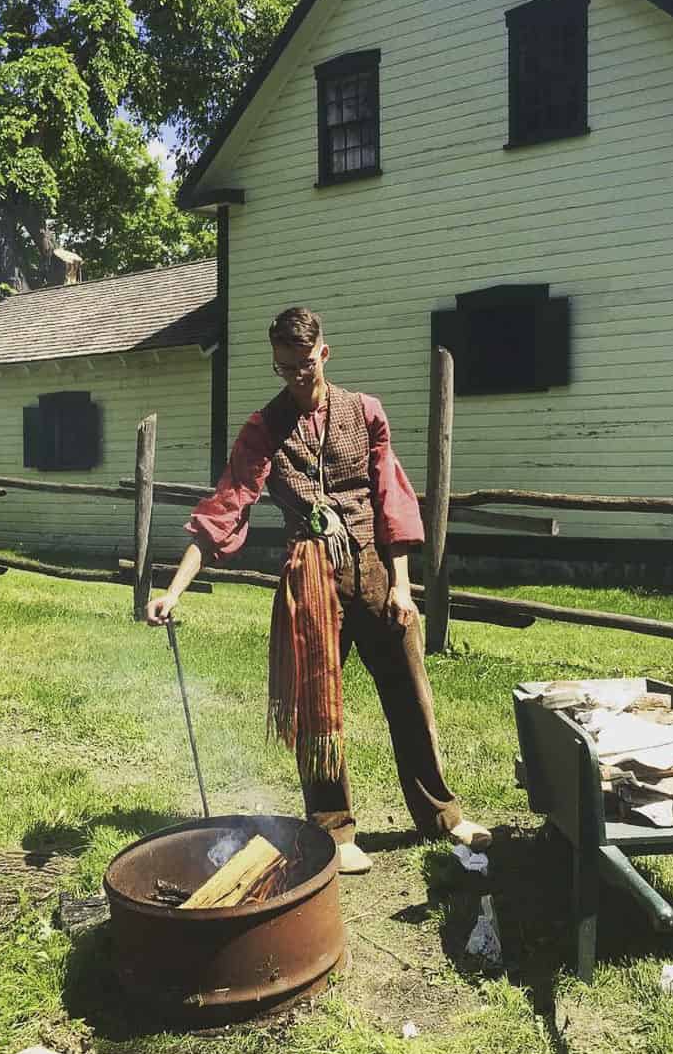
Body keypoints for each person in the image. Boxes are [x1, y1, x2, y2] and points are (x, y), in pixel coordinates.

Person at [147, 307, 491, 874]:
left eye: (304, 365)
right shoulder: (264, 429)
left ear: (323, 354)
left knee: (410, 698)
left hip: (376, 574)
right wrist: (176, 588)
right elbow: (226, 507)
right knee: (317, 711)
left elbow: (392, 499)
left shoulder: (366, 412)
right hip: (311, 584)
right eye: (284, 369)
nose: (297, 378)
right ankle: (335, 828)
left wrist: (404, 589)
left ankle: (443, 815)